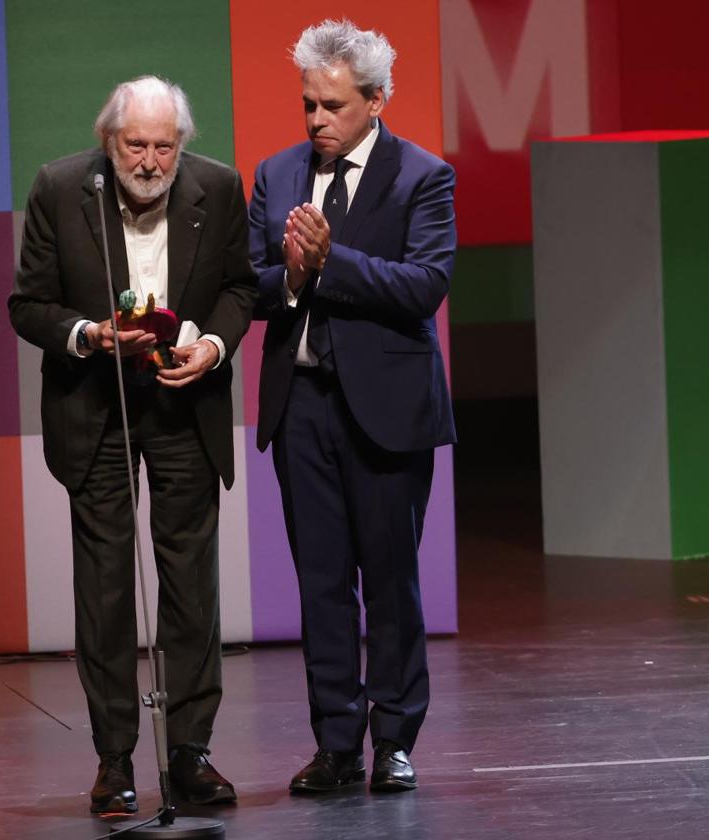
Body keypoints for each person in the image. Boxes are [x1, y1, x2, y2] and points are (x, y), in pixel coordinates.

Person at [9, 76, 256, 814]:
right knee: (107, 589)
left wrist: (213, 346)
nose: (150, 161)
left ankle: (189, 753)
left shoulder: (218, 188)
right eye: (135, 145)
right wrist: (87, 335)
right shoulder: (59, 188)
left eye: (164, 146)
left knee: (191, 588)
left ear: (183, 145)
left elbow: (241, 289)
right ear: (108, 140)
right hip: (96, 406)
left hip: (185, 402)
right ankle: (114, 759)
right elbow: (28, 303)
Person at [250, 20, 457, 794]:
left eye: (332, 106)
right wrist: (294, 277)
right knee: (322, 583)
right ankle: (336, 743)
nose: (315, 121)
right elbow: (250, 285)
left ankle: (394, 739)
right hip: (302, 405)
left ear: (375, 100)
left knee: (392, 581)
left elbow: (423, 287)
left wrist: (330, 261)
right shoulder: (276, 175)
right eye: (308, 105)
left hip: (387, 410)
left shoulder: (422, 177)